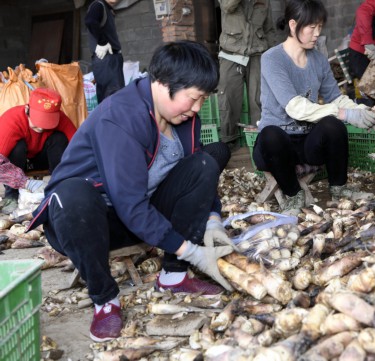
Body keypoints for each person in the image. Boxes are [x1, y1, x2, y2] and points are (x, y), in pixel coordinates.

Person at [27, 41, 235, 342]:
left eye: (201, 99)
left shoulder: (185, 118)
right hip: (89, 223)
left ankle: (173, 275)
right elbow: (129, 203)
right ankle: (104, 300)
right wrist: (193, 253)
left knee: (205, 162)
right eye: (193, 98)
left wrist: (213, 218)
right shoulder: (121, 116)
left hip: (141, 216)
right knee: (72, 194)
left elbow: (193, 174)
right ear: (163, 83)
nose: (196, 108)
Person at [254, 0, 375, 215]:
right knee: (271, 135)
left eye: (320, 27)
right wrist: (343, 113)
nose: (317, 33)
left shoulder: (318, 60)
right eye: (312, 27)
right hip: (276, 148)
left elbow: (334, 97)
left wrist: (361, 112)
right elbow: (294, 106)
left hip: (306, 143)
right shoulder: (272, 59)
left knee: (333, 125)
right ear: (293, 25)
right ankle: (294, 195)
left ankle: (339, 188)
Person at [0, 88, 76, 215]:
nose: (40, 127)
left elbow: (78, 146)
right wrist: (24, 182)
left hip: (43, 158)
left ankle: (60, 186)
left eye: (47, 124)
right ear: (27, 110)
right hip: (19, 162)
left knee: (59, 138)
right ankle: (11, 195)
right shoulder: (11, 120)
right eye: (36, 123)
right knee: (17, 146)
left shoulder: (61, 119)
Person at [217, 0, 277, 147]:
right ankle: (229, 141)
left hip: (257, 53)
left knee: (258, 99)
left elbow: (269, 29)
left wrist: (272, 56)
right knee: (228, 97)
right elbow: (227, 6)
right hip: (230, 52)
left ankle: (258, 139)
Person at [85, 0, 125, 103]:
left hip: (111, 60)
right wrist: (102, 42)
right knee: (112, 98)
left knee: (114, 97)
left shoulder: (108, 9)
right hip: (106, 59)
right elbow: (90, 21)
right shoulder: (98, 4)